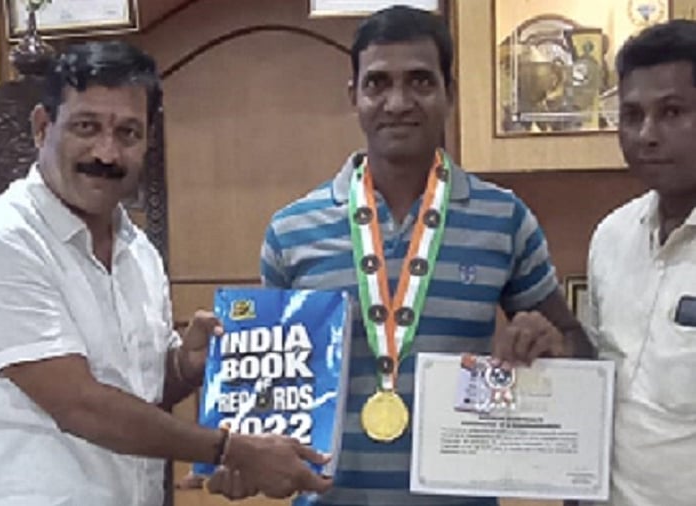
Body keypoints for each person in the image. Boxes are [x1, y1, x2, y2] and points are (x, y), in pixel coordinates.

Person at [0, 41, 331, 506]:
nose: (106, 153)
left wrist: (185, 366)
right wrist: (231, 449)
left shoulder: (139, 252)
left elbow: (137, 392)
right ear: (42, 127)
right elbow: (80, 404)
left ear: (148, 141)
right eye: (86, 127)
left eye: (128, 133)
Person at [251, 6, 592, 506]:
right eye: (377, 83)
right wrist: (236, 453)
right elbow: (268, 380)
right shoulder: (291, 231)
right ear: (353, 96)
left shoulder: (505, 218)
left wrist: (551, 344)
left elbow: (576, 345)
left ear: (449, 93)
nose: (397, 102)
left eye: (420, 81)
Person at [586, 19, 696, 506]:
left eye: (672, 112)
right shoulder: (610, 238)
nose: (646, 134)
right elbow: (598, 380)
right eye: (631, 115)